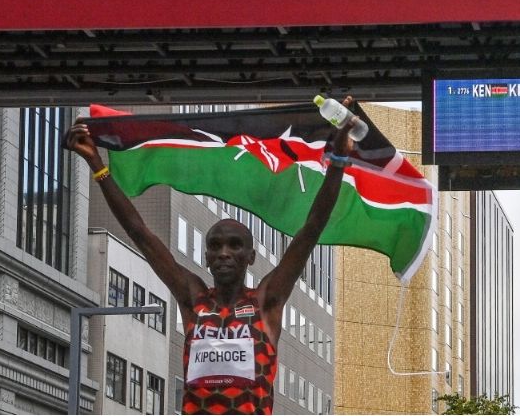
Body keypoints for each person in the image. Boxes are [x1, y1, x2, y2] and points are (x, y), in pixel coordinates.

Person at [66, 99, 357, 415]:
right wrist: (98, 165)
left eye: (234, 246)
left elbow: (312, 227)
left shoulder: (266, 301)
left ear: (250, 257)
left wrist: (339, 158)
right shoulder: (193, 299)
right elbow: (141, 235)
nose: (224, 253)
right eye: (215, 246)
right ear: (204, 257)